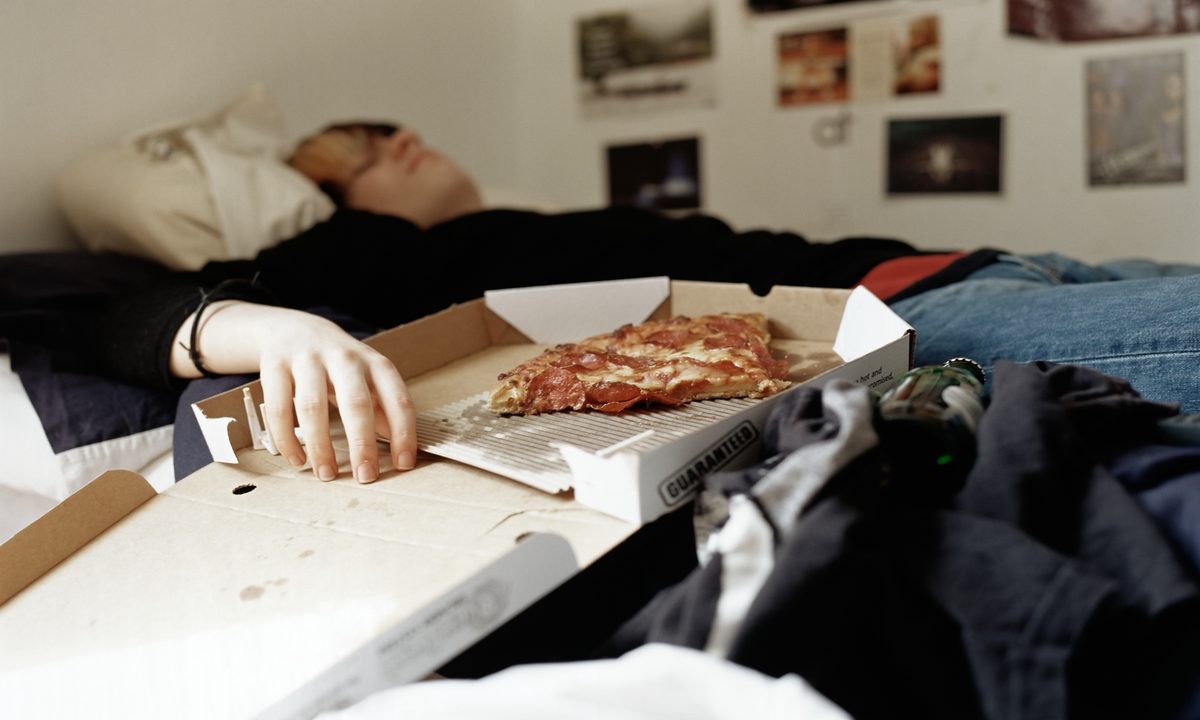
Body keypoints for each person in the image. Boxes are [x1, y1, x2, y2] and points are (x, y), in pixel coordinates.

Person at [89, 121, 1200, 487]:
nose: (402, 138)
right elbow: (107, 315)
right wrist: (265, 326)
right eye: (366, 149)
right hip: (890, 314)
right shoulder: (365, 254)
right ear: (331, 200)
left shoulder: (515, 217)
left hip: (966, 260)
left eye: (393, 126)